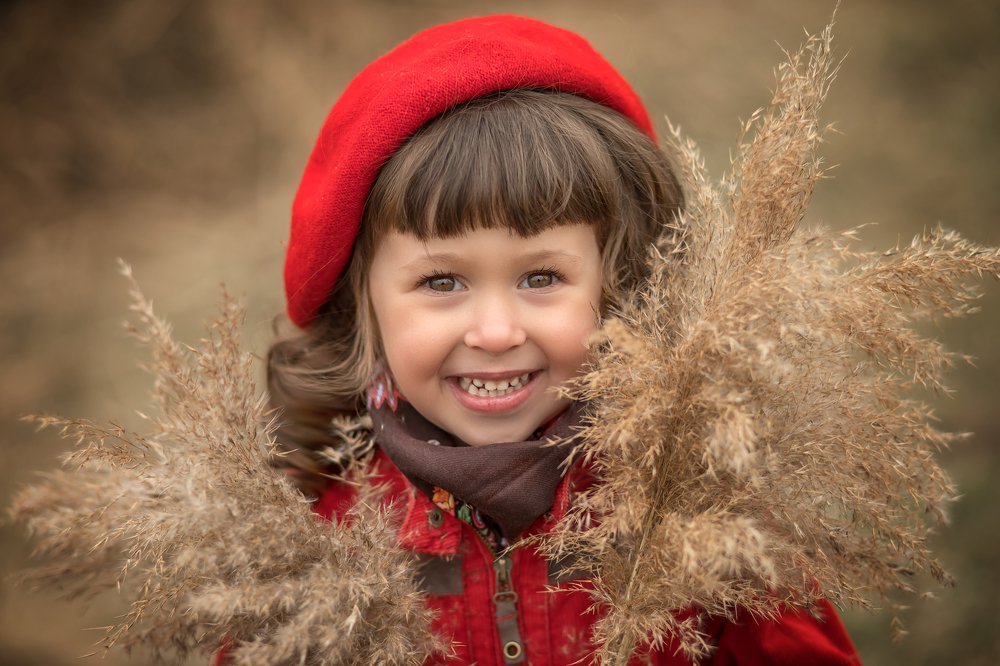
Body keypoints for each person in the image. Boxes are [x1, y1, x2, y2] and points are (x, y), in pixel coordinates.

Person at [243, 14, 862, 666]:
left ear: (618, 285)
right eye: (442, 281)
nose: (496, 332)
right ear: (362, 303)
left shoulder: (694, 509)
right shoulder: (320, 543)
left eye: (541, 277)